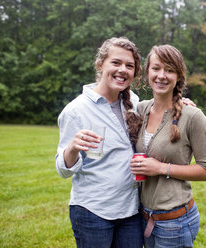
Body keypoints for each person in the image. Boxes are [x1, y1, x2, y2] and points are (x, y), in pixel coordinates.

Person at [55, 37, 144, 248]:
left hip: (131, 210)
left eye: (129, 66)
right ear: (100, 64)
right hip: (93, 212)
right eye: (116, 62)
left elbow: (162, 111)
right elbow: (63, 170)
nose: (123, 70)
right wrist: (72, 148)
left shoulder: (136, 103)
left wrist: (182, 103)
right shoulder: (76, 110)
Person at [129, 44, 206, 248]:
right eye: (156, 68)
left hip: (175, 223)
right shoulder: (141, 109)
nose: (162, 75)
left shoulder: (193, 116)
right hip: (144, 217)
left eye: (169, 70)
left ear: (179, 76)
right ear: (147, 72)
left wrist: (161, 168)